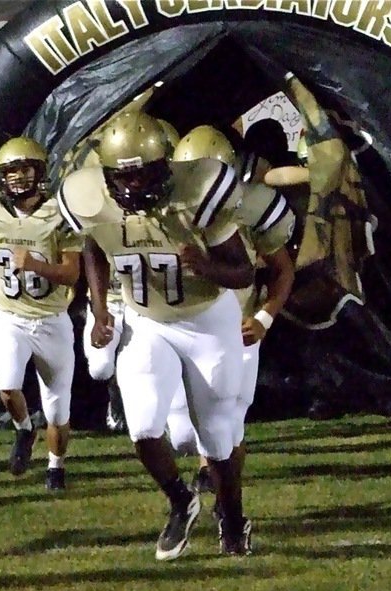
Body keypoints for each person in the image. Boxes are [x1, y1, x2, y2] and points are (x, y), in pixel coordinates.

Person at [57, 111, 256, 557]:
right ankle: (181, 501)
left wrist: (206, 266)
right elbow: (94, 244)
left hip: (207, 321)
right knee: (144, 426)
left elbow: (245, 271)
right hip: (148, 321)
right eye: (121, 177)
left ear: (165, 166)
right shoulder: (91, 200)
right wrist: (100, 305)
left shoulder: (197, 194)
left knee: (217, 435)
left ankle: (234, 518)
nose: (131, 188)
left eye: (142, 174)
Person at [165, 125, 296, 506]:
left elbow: (282, 270)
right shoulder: (162, 209)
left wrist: (265, 318)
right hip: (182, 326)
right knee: (181, 434)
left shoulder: (252, 207)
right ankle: (213, 470)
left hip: (237, 331)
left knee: (228, 424)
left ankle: (224, 496)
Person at [0, 137, 83, 489]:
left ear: (39, 172)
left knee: (58, 408)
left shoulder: (60, 212)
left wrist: (35, 266)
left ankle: (56, 466)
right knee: (7, 386)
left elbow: (72, 273)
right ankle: (24, 429)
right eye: (10, 171)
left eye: (23, 170)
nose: (17, 178)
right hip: (10, 316)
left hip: (52, 320)